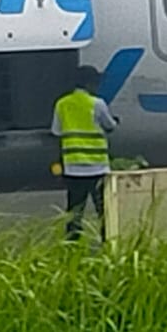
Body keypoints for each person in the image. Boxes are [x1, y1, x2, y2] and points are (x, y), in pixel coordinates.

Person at [51, 66, 118, 240]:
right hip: (98, 168)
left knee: (74, 211)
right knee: (104, 210)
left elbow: (56, 131)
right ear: (89, 83)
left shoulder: (62, 104)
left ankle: (72, 244)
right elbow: (110, 126)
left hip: (73, 168)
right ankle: (108, 241)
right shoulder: (97, 103)